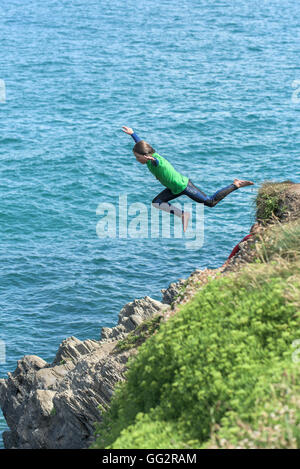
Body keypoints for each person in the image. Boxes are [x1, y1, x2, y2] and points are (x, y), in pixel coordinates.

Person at [122, 126, 254, 232]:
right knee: (157, 202)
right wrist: (133, 134)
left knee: (210, 202)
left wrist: (154, 160)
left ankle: (235, 185)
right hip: (173, 188)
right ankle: (183, 215)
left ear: (146, 156)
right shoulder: (149, 155)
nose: (137, 160)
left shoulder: (156, 161)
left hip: (184, 186)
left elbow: (157, 161)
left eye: (138, 157)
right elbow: (141, 145)